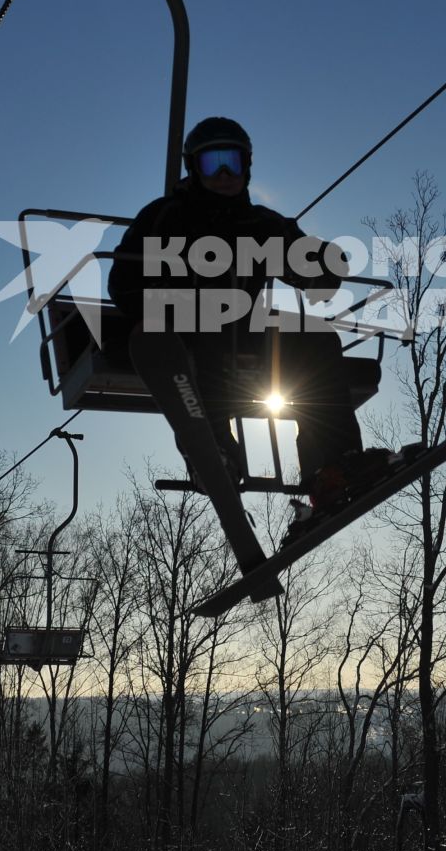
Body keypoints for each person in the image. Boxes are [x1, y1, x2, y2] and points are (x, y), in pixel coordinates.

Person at [108, 117, 395, 542]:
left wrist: (321, 268)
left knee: (314, 337)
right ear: (193, 167)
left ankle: (331, 467)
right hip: (182, 327)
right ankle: (215, 450)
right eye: (213, 164)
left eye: (233, 162)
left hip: (241, 331)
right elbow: (123, 281)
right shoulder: (164, 217)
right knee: (209, 324)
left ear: (247, 167)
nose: (225, 174)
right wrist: (157, 308)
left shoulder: (261, 224)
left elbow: (303, 264)